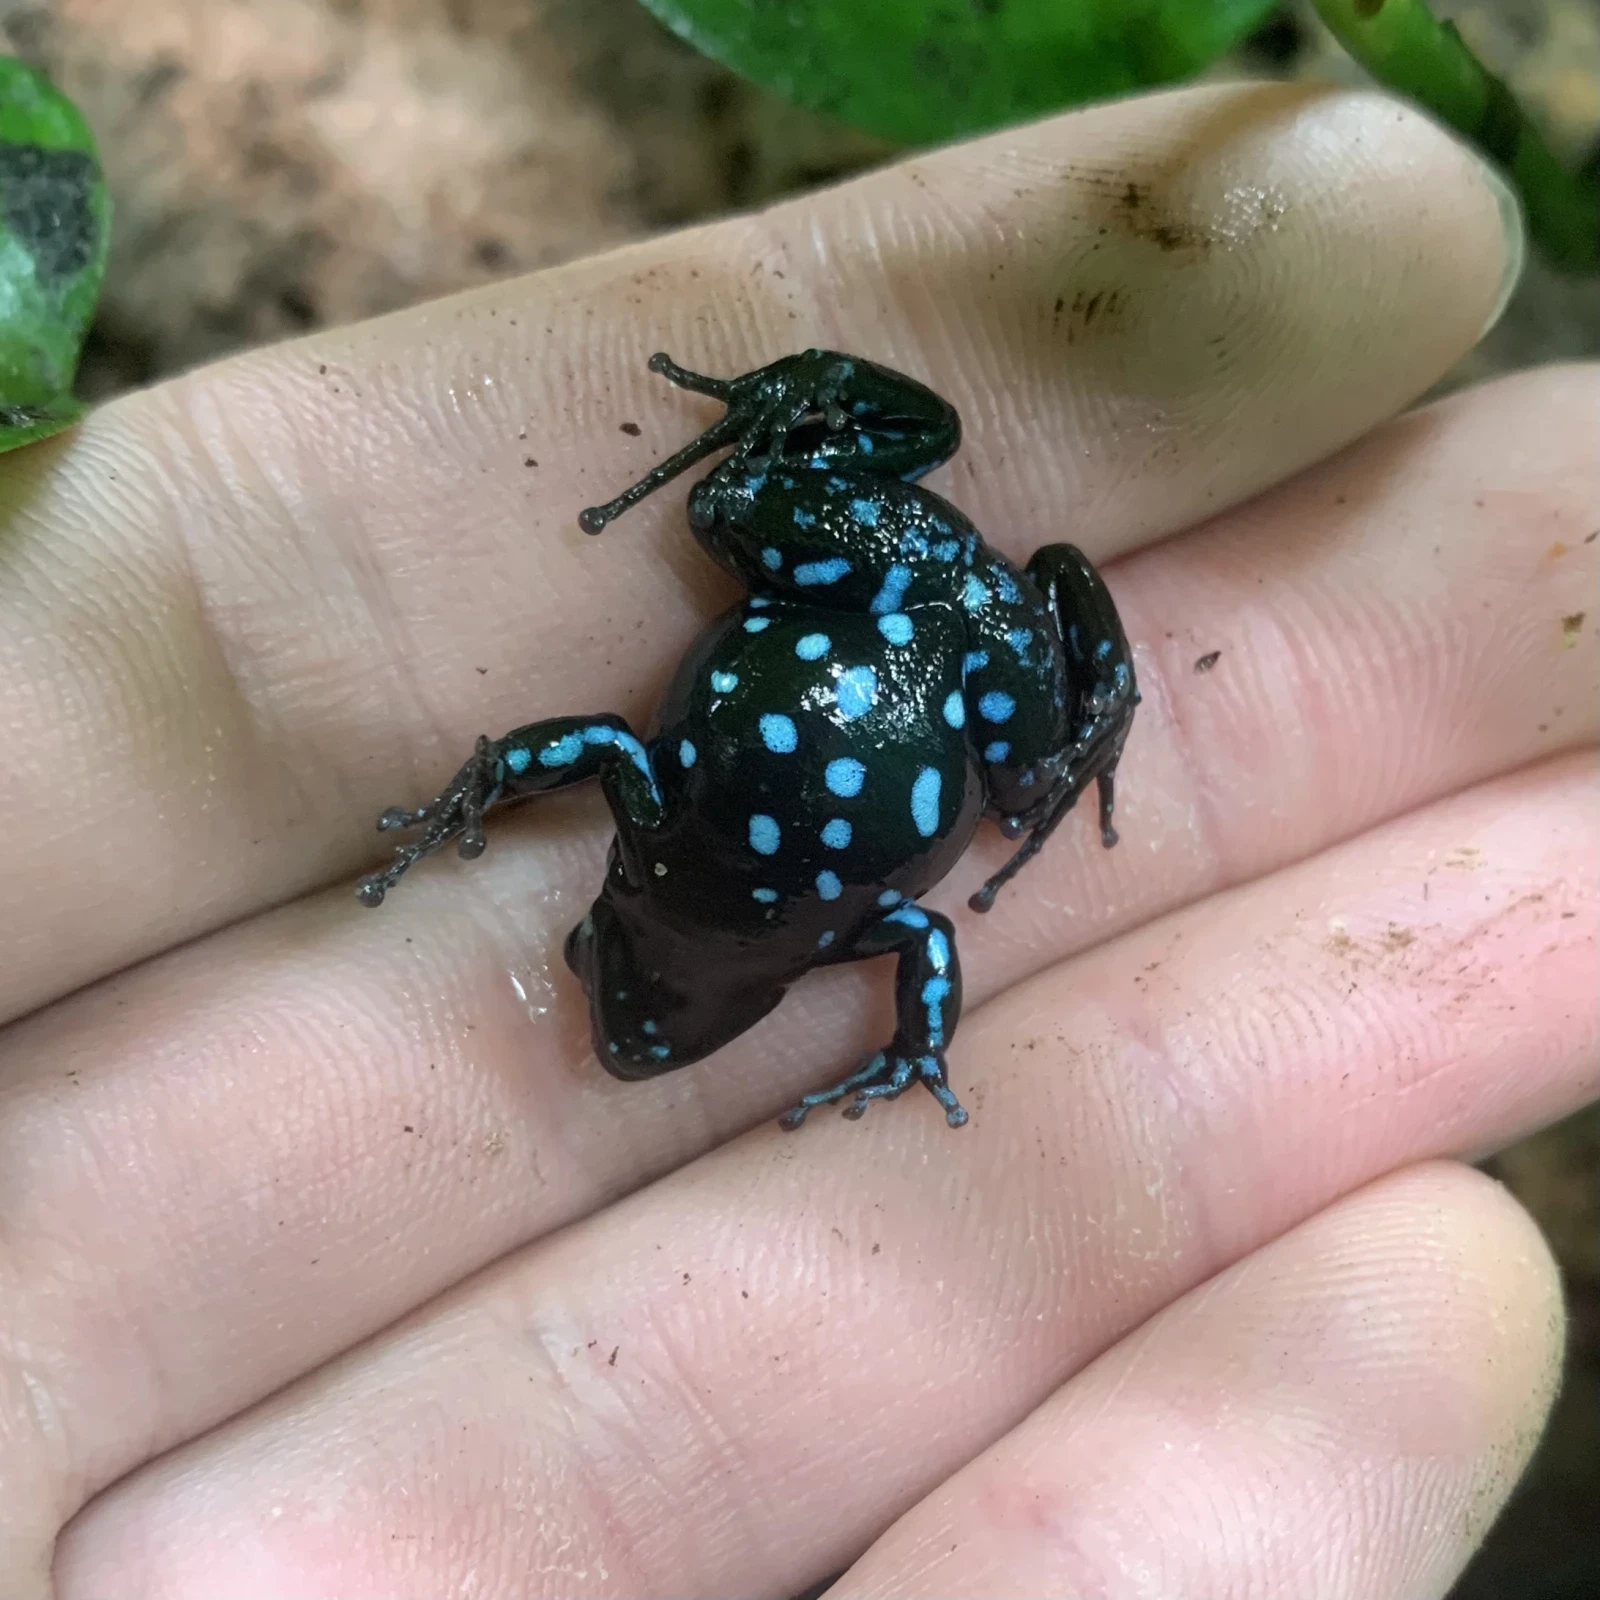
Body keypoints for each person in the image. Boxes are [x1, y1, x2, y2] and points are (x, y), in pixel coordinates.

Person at [1, 80, 1594, 1597]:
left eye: (608, 965)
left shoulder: (839, 931)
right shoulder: (755, 885)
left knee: (750, 536)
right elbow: (619, 760)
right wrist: (903, 1044)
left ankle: (1036, 639)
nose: (624, 1010)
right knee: (979, 741)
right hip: (946, 626)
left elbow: (869, 908)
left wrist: (899, 1034)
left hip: (911, 598)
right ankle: (1060, 677)